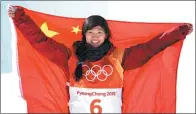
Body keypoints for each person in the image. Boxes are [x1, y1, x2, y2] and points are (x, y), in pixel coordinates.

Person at [8, 5, 193, 113]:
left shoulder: (120, 56)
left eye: (99, 32)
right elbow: (42, 42)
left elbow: (150, 48)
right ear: (84, 35)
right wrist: (20, 18)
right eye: (90, 32)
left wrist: (178, 32)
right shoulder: (70, 56)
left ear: (106, 35)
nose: (95, 36)